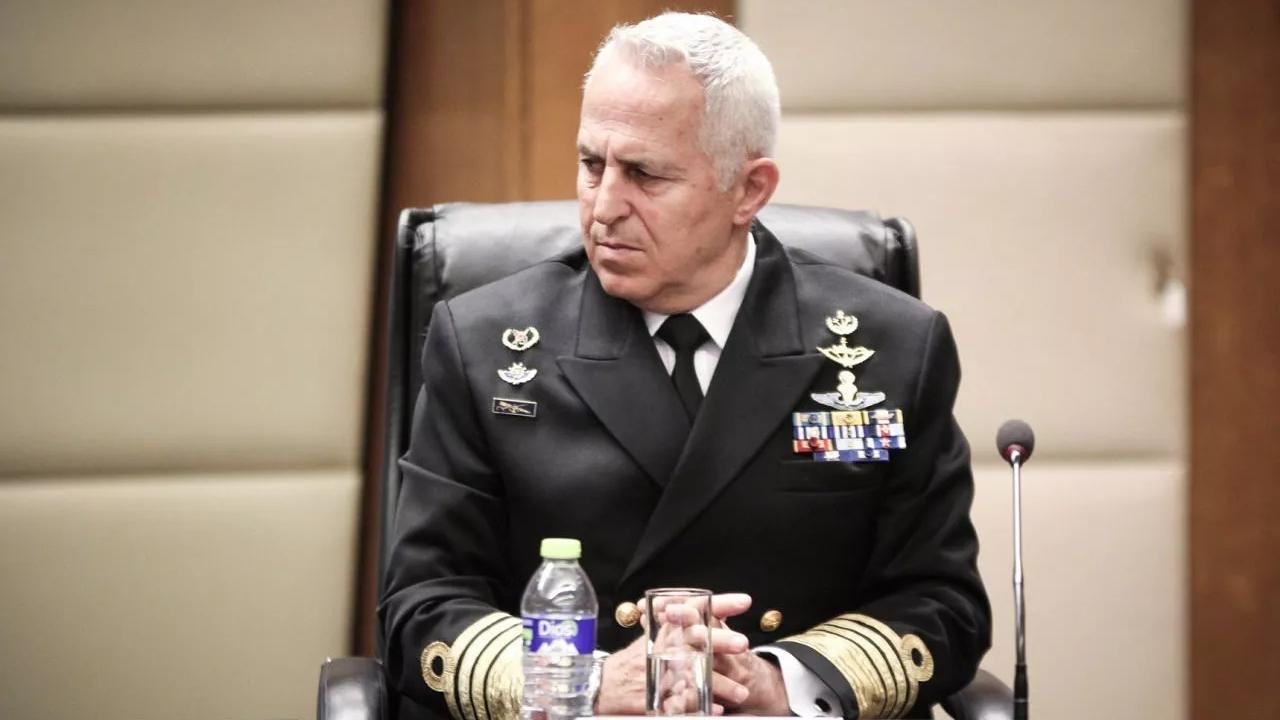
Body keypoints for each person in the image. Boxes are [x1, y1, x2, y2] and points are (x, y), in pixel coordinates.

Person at [380, 12, 989, 720]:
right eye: (591, 165)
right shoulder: (484, 343)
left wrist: (783, 681)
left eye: (644, 174)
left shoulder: (893, 348)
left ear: (749, 190)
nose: (604, 207)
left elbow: (940, 601)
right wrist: (584, 683)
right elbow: (422, 602)